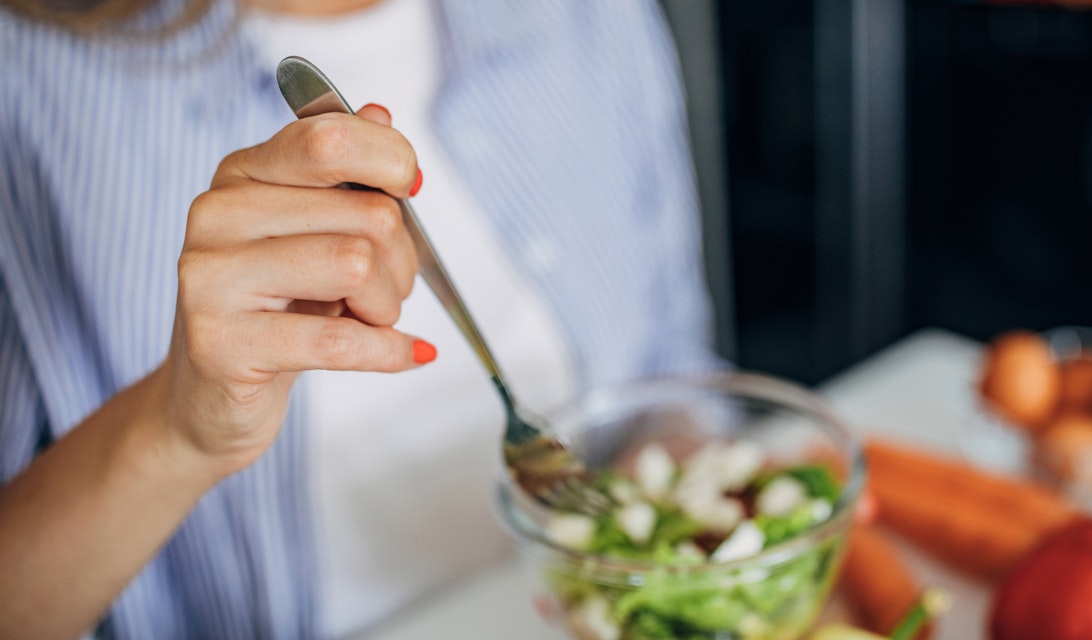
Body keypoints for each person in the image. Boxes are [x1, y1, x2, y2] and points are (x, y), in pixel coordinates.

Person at [0, 0, 718, 637]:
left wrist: (670, 514)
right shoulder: (29, 84)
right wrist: (177, 432)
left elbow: (676, 363)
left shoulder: (588, 15)